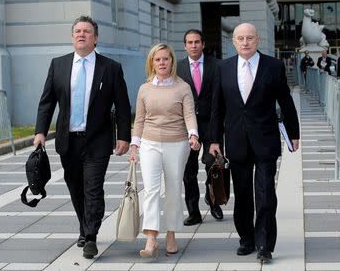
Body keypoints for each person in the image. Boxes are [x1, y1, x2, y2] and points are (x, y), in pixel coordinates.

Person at [33, 15, 131, 259]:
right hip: (69, 139)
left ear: (95, 38)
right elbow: (47, 102)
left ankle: (91, 236)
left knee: (93, 188)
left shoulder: (111, 68)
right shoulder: (59, 65)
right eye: (77, 31)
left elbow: (122, 104)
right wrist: (40, 132)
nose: (81, 34)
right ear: (72, 36)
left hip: (98, 139)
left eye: (87, 31)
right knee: (75, 186)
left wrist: (124, 136)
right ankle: (84, 224)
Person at [209, 23, 300, 263]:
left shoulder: (274, 66)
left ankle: (264, 244)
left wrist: (294, 133)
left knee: (266, 194)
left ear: (258, 40)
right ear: (234, 42)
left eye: (250, 38)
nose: (245, 42)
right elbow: (217, 107)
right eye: (240, 38)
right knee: (243, 194)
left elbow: (286, 102)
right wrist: (214, 140)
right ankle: (246, 239)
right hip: (236, 141)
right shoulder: (224, 68)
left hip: (265, 140)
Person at [128, 43, 200, 259]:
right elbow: (139, 120)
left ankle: (170, 234)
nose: (161, 63)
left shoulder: (183, 87)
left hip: (177, 144)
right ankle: (151, 238)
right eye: (157, 59)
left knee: (172, 191)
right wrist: (134, 147)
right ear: (152, 62)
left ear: (172, 62)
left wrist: (193, 135)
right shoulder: (144, 88)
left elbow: (189, 115)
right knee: (151, 191)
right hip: (149, 143)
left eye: (165, 59)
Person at [176, 29, 225, 226]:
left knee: (214, 165)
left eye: (197, 42)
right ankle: (193, 212)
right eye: (190, 42)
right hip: (186, 126)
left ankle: (213, 201)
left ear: (203, 44)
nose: (194, 46)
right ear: (185, 45)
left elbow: (220, 98)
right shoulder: (177, 67)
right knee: (189, 171)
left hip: (212, 123)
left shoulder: (217, 66)